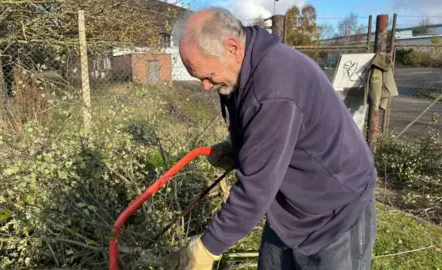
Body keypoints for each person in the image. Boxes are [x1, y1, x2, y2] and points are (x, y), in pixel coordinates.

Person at [162, 7, 377, 270]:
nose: (206, 86)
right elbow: (266, 130)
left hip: (336, 208)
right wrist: (239, 149)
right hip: (290, 209)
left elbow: (256, 187)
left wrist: (208, 248)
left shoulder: (275, 88)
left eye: (207, 75)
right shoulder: (243, 66)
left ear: (232, 48)